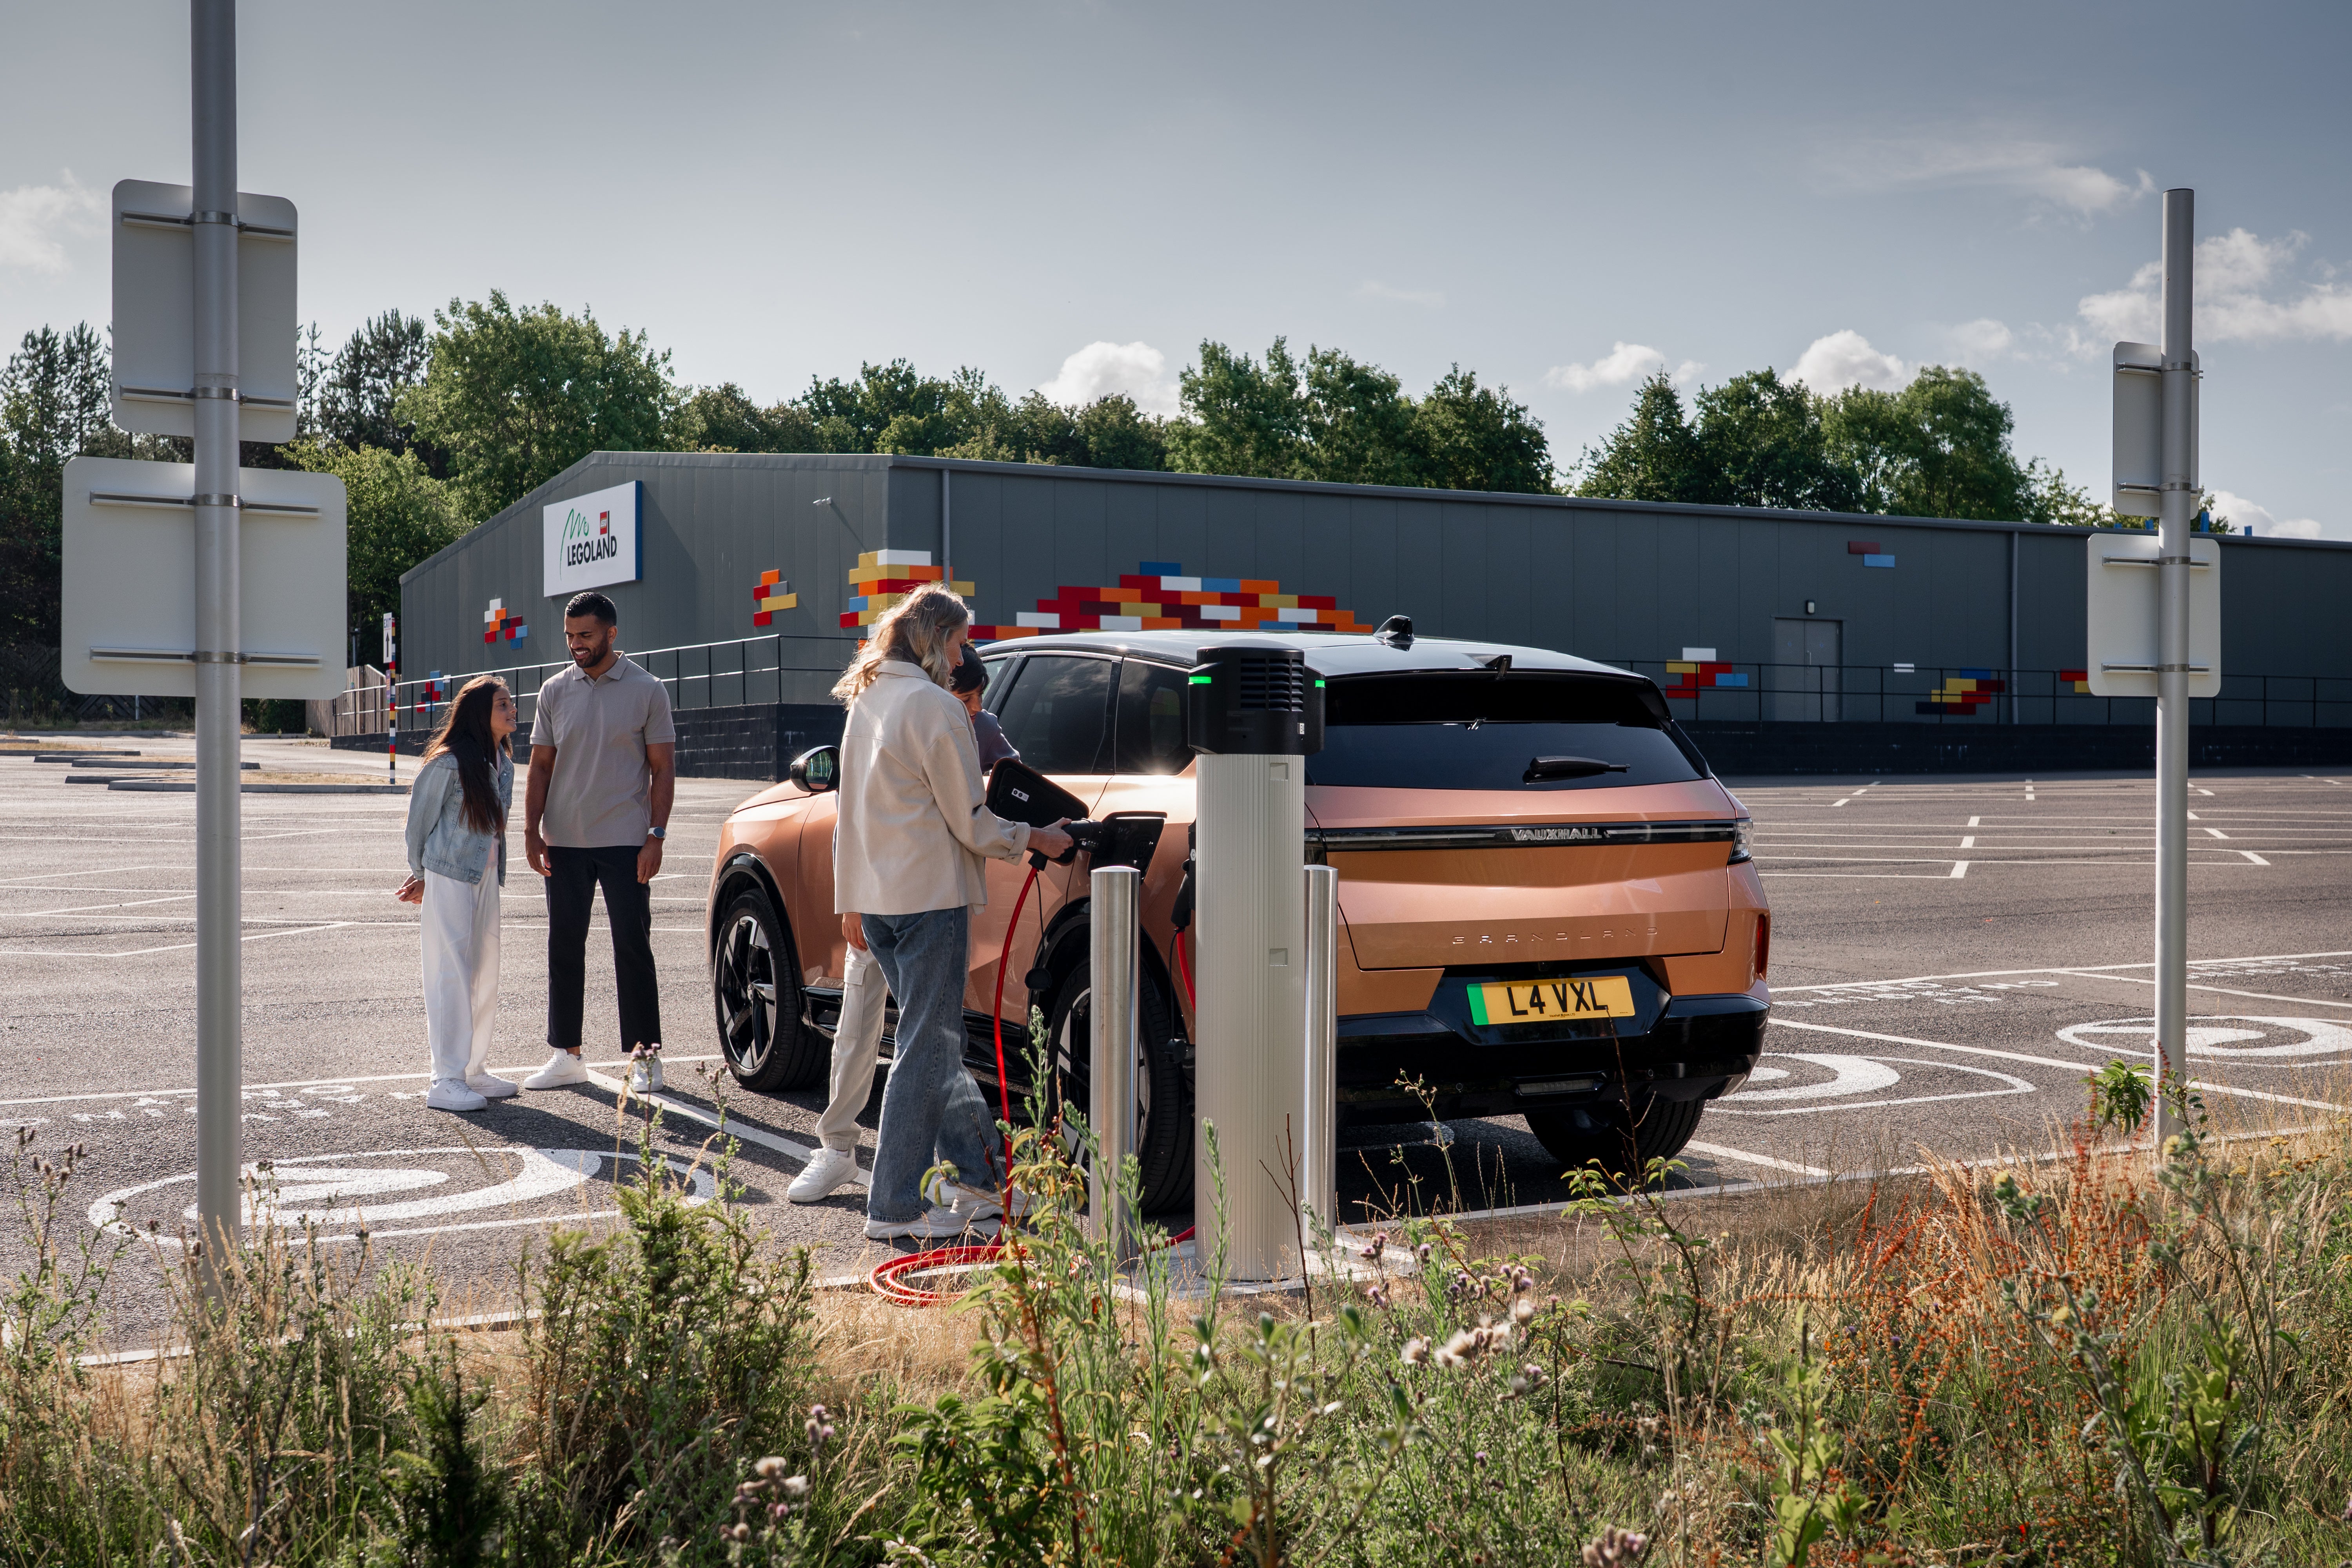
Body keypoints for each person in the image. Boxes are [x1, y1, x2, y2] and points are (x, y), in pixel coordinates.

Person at [829, 585, 1069, 1239]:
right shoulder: (935, 708)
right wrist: (1036, 839)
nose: (965, 658)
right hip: (929, 901)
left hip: (877, 903)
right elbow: (971, 820)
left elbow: (848, 812)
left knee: (937, 1047)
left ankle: (983, 1183)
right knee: (923, 1051)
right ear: (937, 641)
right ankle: (894, 1207)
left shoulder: (869, 699)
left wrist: (847, 898)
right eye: (961, 642)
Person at [789, 642, 1020, 1203]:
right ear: (940, 676)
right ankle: (839, 1149)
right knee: (865, 1024)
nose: (975, 707)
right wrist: (849, 901)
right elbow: (853, 808)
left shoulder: (975, 725)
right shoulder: (891, 707)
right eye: (966, 694)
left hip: (928, 894)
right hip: (877, 893)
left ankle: (969, 1176)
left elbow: (1007, 794)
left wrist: (1022, 825)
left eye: (978, 698)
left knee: (931, 1043)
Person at [519, 590, 678, 1095]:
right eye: (569, 636)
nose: (575, 645)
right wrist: (531, 830)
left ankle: (645, 1055)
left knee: (632, 947)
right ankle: (566, 1054)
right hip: (563, 842)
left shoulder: (648, 689)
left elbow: (663, 768)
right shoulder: (554, 691)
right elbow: (540, 766)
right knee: (564, 947)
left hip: (627, 842)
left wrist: (656, 836)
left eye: (585, 636)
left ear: (611, 633)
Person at [396, 676, 518, 1112]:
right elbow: (419, 823)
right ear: (479, 713)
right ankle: (446, 1078)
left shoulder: (503, 762)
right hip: (449, 875)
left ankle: (472, 1070)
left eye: (511, 703)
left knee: (484, 970)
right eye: (503, 704)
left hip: (484, 877)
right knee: (450, 972)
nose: (513, 709)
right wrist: (420, 873)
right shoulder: (449, 763)